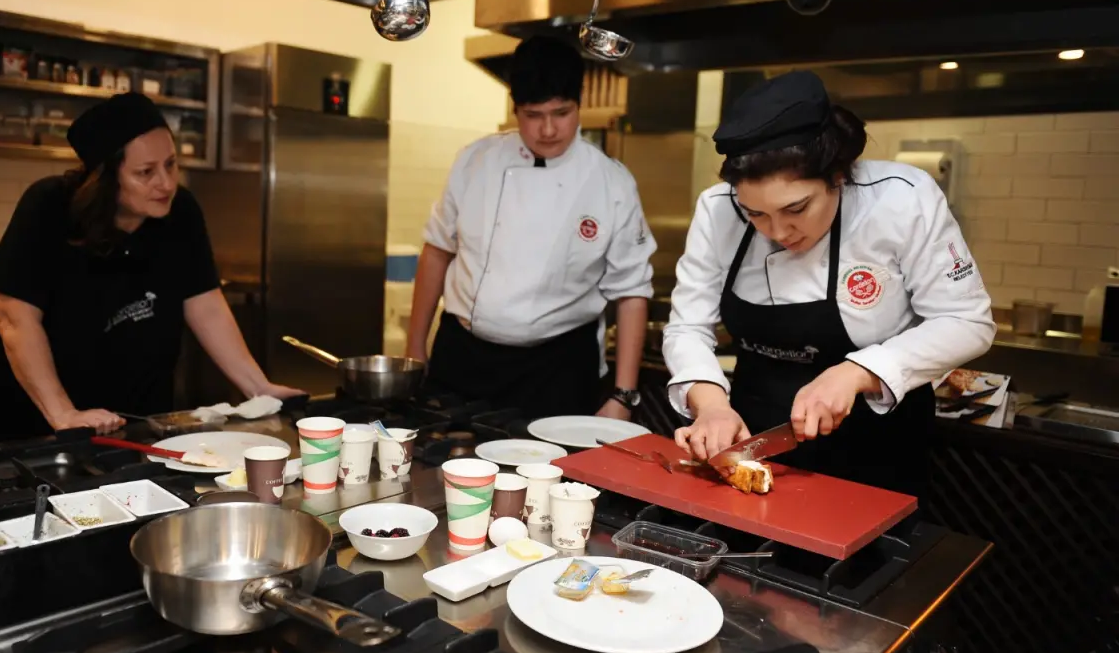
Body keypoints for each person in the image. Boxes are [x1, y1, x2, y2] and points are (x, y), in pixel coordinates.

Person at [663, 70, 994, 498]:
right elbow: (688, 326)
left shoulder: (900, 199)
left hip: (876, 447)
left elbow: (968, 321)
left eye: (796, 207)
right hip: (753, 436)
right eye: (756, 214)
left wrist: (857, 372)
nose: (778, 230)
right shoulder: (716, 209)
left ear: (838, 175)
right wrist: (710, 405)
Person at [0, 92, 303, 440]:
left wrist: (259, 388)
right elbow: (14, 316)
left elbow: (206, 305)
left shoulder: (181, 212)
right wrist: (63, 414)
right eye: (146, 172)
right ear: (106, 178)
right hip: (39, 415)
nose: (166, 183)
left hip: (136, 410)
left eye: (171, 164)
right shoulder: (49, 206)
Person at [406, 36, 656, 420]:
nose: (548, 129)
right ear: (515, 109)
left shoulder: (612, 182)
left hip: (557, 368)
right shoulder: (475, 162)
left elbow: (632, 291)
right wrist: (414, 347)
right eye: (533, 115)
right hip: (463, 358)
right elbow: (438, 250)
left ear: (580, 103)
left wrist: (623, 394)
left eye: (561, 113)